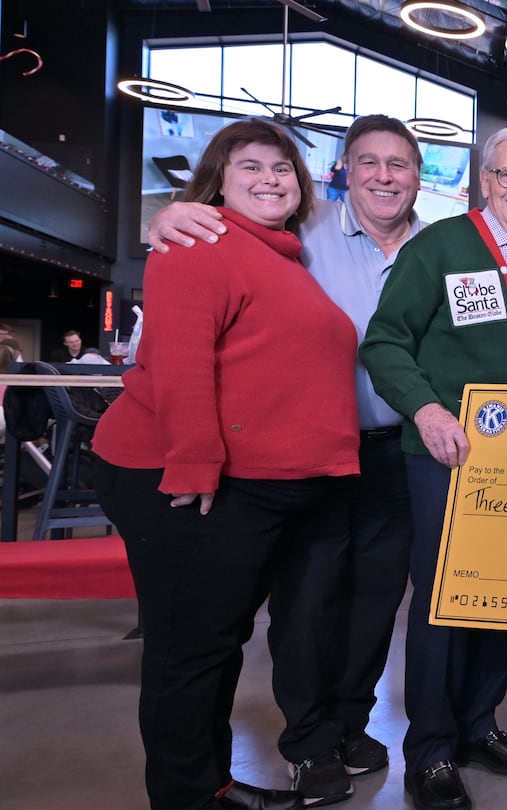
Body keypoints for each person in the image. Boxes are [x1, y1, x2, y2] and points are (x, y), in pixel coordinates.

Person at [147, 114, 427, 805]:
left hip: (396, 458)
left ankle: (350, 724)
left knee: (374, 605)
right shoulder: (299, 230)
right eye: (369, 162)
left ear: (419, 177)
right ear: (340, 172)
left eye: (400, 164)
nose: (385, 177)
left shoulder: (441, 247)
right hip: (311, 460)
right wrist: (171, 216)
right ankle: (307, 741)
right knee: (307, 606)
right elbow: (215, 234)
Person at [90, 118, 360, 810]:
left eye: (283, 169)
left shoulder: (277, 253)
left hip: (246, 488)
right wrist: (194, 468)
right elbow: (178, 364)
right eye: (251, 167)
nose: (271, 179)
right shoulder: (199, 241)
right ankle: (185, 796)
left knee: (215, 645)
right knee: (189, 654)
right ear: (217, 179)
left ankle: (207, 784)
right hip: (184, 481)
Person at [360, 125, 507, 810]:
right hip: (448, 455)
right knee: (446, 600)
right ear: (484, 180)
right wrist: (425, 411)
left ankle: (479, 722)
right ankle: (430, 748)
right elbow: (385, 342)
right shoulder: (440, 249)